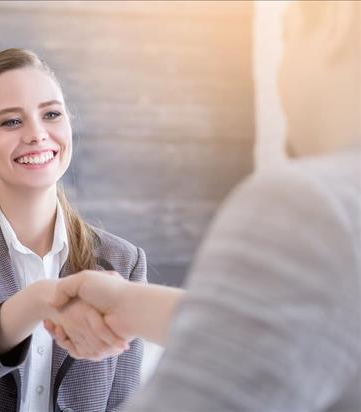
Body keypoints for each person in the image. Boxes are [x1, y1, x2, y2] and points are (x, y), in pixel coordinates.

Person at [47, 1, 361, 411]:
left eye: (286, 38)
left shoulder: (311, 207)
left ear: (335, 21)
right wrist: (131, 306)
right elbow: (300, 326)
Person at [0, 48, 147, 412]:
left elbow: (123, 402)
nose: (37, 134)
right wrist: (39, 301)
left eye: (51, 114)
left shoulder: (122, 261)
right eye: (10, 122)